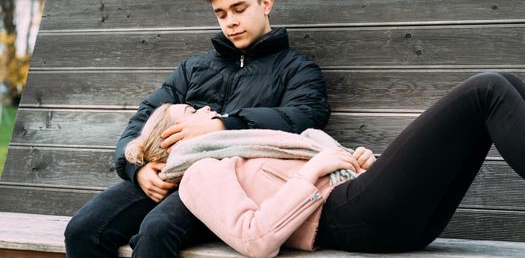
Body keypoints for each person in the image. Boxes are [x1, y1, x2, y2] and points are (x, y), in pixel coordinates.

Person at [64, 0, 331, 257]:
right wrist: (136, 170)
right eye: (221, 13)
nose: (230, 22)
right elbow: (143, 119)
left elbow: (304, 117)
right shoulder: (194, 69)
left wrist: (221, 125)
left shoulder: (297, 69)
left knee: (155, 231)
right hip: (167, 176)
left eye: (239, 9)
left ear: (266, 3)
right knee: (83, 230)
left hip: (227, 188)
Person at [119, 72, 525, 257]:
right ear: (171, 137)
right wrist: (313, 171)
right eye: (190, 109)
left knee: (508, 83)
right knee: (484, 92)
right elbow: (254, 239)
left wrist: (357, 164)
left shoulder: (238, 148)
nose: (206, 107)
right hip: (346, 216)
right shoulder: (199, 175)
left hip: (369, 207)